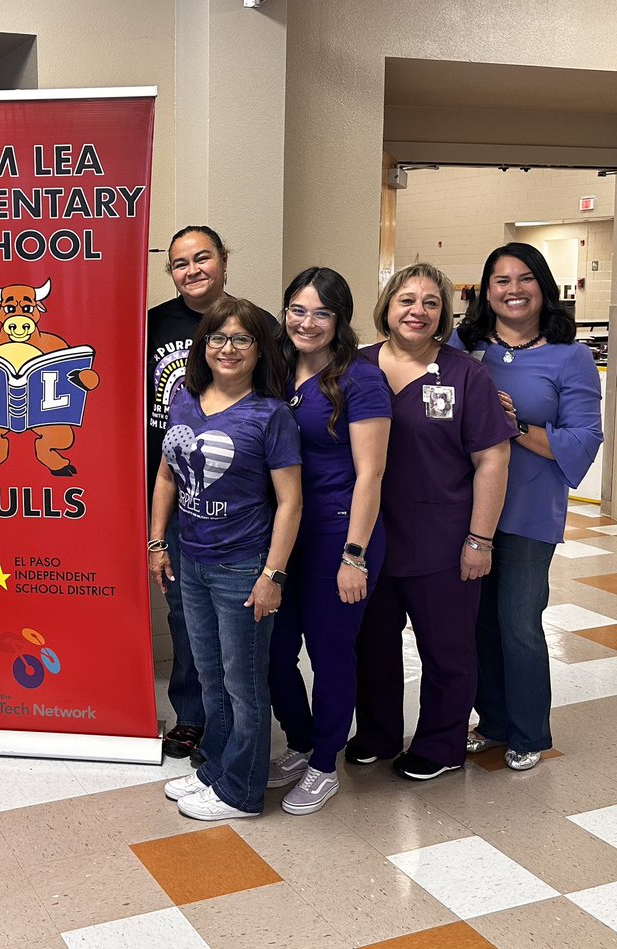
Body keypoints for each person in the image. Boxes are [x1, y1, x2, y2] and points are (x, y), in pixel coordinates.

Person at [348, 262, 513, 781]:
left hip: (443, 539)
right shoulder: (357, 367)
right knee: (372, 643)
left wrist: (480, 540)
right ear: (387, 308)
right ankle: (376, 732)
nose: (417, 311)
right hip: (371, 538)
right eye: (406, 300)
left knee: (446, 648)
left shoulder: (467, 374)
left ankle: (442, 743)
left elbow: (493, 459)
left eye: (431, 302)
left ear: (443, 314)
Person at [150, 298, 302, 821]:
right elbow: (167, 475)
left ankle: (241, 792)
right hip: (190, 561)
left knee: (243, 684)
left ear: (260, 349)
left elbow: (290, 501)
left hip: (243, 566)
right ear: (204, 346)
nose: (228, 348)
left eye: (241, 339)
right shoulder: (186, 400)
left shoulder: (270, 413)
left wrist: (272, 575)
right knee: (210, 677)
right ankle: (214, 768)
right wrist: (157, 543)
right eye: (218, 338)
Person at [454, 243, 603, 771]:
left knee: (517, 620)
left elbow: (585, 436)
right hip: (464, 509)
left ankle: (528, 730)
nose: (513, 289)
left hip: (528, 510)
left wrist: (513, 426)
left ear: (543, 286)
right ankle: (491, 721)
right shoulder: (463, 346)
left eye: (525, 279)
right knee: (476, 622)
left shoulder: (571, 356)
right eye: (500, 280)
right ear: (486, 291)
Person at [147, 225, 274, 765]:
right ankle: (194, 716)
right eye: (180, 263)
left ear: (224, 260)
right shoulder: (152, 323)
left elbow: (279, 398)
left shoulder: (258, 324)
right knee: (184, 611)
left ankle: (237, 731)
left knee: (236, 619)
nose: (192, 270)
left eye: (203, 258)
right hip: (172, 487)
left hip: (240, 500)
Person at [266, 267, 391, 814]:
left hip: (339, 535)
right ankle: (301, 741)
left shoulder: (360, 380)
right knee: (272, 652)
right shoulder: (275, 369)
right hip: (281, 536)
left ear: (339, 320)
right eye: (298, 309)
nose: (306, 322)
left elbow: (371, 474)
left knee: (331, 652)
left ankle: (324, 765)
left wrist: (354, 555)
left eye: (321, 312)